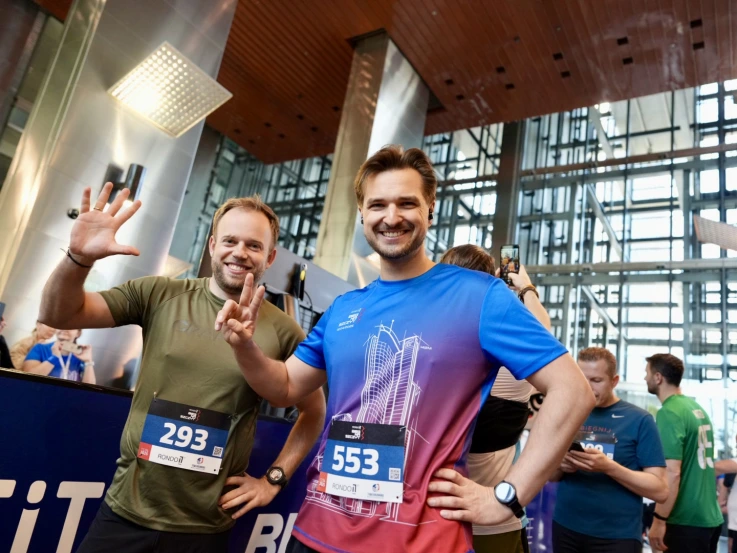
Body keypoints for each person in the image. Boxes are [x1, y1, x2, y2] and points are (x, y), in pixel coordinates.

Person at [215, 145, 595, 553]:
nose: (392, 217)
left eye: (407, 203)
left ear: (430, 209)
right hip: (315, 533)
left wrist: (507, 495)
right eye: (378, 204)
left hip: (420, 542)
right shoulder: (345, 308)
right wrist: (246, 347)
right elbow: (285, 387)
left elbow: (572, 390)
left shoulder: (479, 295)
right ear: (362, 213)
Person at [37, 184, 326, 553]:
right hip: (126, 511)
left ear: (269, 258)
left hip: (206, 527)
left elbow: (314, 412)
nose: (240, 252)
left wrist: (273, 480)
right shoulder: (159, 294)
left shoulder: (284, 330)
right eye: (230, 241)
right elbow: (57, 314)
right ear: (212, 245)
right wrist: (77, 259)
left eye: (253, 246)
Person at [440, 244, 548, 553]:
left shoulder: (429, 353)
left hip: (435, 515)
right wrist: (524, 286)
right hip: (494, 519)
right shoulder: (510, 368)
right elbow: (541, 334)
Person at [550, 347, 668, 553]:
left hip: (617, 536)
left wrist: (609, 467)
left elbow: (660, 490)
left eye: (596, 380)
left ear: (614, 381)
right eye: (582, 379)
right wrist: (561, 466)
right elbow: (551, 476)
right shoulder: (567, 412)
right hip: (566, 527)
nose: (587, 387)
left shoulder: (640, 420)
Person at [645, 353, 723, 553]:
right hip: (709, 518)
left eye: (647, 373)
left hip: (684, 520)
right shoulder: (696, 408)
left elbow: (672, 473)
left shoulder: (669, 412)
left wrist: (659, 520)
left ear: (658, 377)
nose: (645, 378)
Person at [21, 328, 96, 383]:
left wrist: (88, 361)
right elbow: (27, 379)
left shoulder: (81, 355)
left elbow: (90, 389)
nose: (65, 328)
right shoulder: (40, 348)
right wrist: (54, 358)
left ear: (78, 333)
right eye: (61, 325)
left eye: (71, 326)